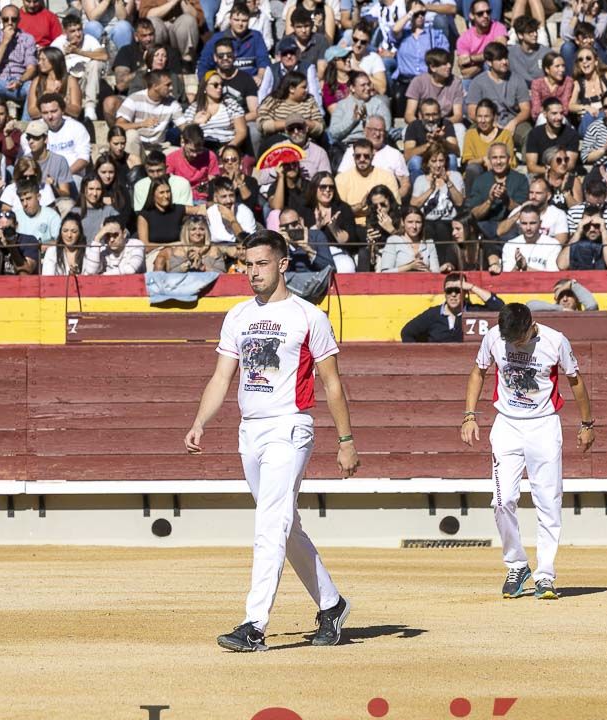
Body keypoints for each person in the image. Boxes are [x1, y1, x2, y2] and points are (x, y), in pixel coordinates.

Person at [185, 229, 358, 652]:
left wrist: (346, 439)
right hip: (251, 430)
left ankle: (253, 624)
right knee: (285, 525)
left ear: (283, 264)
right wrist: (200, 422)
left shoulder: (309, 316)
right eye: (248, 264)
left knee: (269, 526)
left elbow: (332, 384)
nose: (253, 273)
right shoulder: (238, 316)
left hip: (290, 427)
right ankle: (331, 605)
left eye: (261, 263)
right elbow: (222, 377)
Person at [461, 303, 595, 600]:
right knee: (501, 500)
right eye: (509, 340)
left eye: (517, 339)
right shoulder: (494, 337)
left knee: (548, 501)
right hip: (507, 425)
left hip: (544, 426)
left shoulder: (555, 340)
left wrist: (587, 424)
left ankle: (545, 573)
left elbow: (575, 381)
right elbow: (477, 372)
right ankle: (517, 564)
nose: (512, 344)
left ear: (530, 326)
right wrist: (469, 415)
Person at [401, 272, 505, 343]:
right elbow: (407, 332)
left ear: (465, 292)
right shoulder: (433, 314)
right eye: (449, 291)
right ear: (445, 293)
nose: (453, 294)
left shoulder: (473, 311)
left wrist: (472, 287)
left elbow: (500, 308)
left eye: (458, 290)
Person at [115, 70, 183, 160]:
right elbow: (118, 126)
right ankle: (135, 170)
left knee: (182, 154)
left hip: (160, 148)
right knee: (131, 135)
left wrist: (195, 123)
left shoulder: (172, 103)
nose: (171, 88)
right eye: (167, 85)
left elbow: (184, 127)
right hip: (139, 147)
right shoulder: (134, 99)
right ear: (155, 86)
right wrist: (141, 124)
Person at [0, 5, 37, 107]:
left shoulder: (28, 39)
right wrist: (5, 41)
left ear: (19, 20)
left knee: (32, 87)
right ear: (0, 20)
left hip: (20, 81)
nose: (10, 22)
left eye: (14, 19)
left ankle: (25, 122)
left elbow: (31, 68)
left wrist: (20, 81)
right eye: (6, 19)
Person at [499, 206, 562, 272]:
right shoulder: (510, 245)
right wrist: (517, 266)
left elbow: (552, 276)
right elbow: (507, 277)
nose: (528, 228)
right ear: (519, 224)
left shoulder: (553, 245)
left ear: (540, 223)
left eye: (532, 223)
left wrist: (526, 268)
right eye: (524, 223)